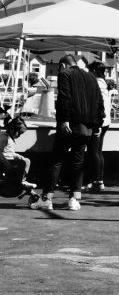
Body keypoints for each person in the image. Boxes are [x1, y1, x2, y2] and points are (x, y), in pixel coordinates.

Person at [32, 55, 103, 212]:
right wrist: (97, 125)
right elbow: (99, 103)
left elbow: (65, 98)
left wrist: (64, 120)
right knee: (78, 162)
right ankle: (74, 200)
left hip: (69, 126)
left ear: (63, 65)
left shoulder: (65, 74)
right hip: (86, 129)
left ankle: (47, 199)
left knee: (56, 160)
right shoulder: (92, 77)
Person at [84, 61, 112, 193]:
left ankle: (96, 180)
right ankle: (99, 180)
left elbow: (97, 105)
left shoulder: (96, 85)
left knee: (93, 151)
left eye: (90, 71)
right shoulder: (104, 84)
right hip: (105, 121)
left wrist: (97, 123)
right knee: (98, 151)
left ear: (94, 71)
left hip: (98, 122)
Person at [0, 112, 35, 199]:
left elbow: (9, 152)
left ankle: (23, 180)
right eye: (19, 133)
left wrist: (16, 155)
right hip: (5, 162)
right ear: (12, 129)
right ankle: (20, 181)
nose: (19, 136)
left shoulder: (10, 137)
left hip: (8, 159)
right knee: (22, 163)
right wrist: (8, 166)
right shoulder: (4, 137)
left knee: (26, 160)